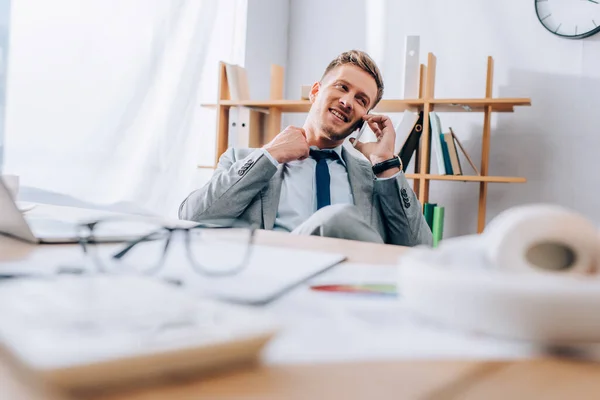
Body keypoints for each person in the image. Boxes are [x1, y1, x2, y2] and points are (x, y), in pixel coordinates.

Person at [179, 50, 432, 246]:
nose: (347, 101)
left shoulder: (374, 178)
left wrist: (385, 163)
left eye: (360, 100)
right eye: (342, 87)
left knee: (338, 219)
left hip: (345, 291)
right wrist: (269, 154)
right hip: (274, 279)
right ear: (315, 91)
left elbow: (419, 248)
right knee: (335, 219)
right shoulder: (244, 158)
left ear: (363, 120)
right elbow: (193, 216)